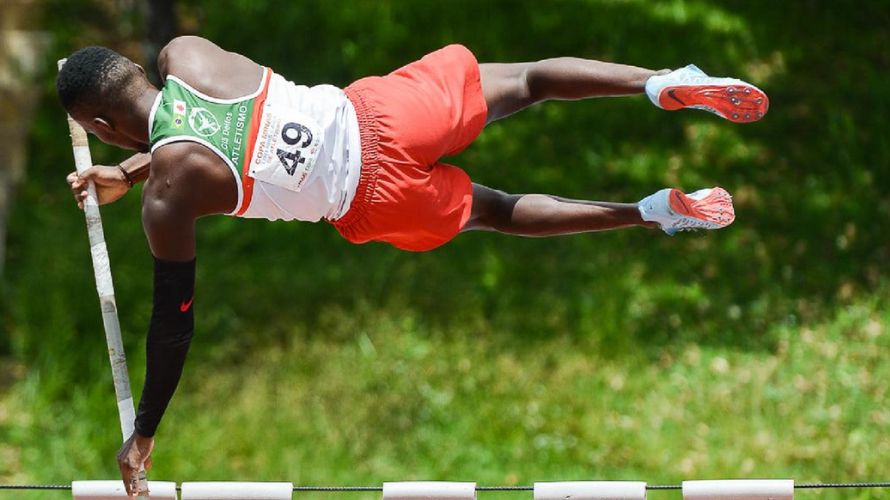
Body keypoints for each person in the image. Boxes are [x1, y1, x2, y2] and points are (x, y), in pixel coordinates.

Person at [57, 35, 767, 495]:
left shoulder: (169, 199)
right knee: (528, 80)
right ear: (129, 67)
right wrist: (135, 164)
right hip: (382, 114)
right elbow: (216, 124)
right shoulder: (188, 52)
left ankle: (651, 212)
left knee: (498, 209)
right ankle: (662, 80)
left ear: (97, 127)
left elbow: (172, 324)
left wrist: (145, 429)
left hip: (370, 198)